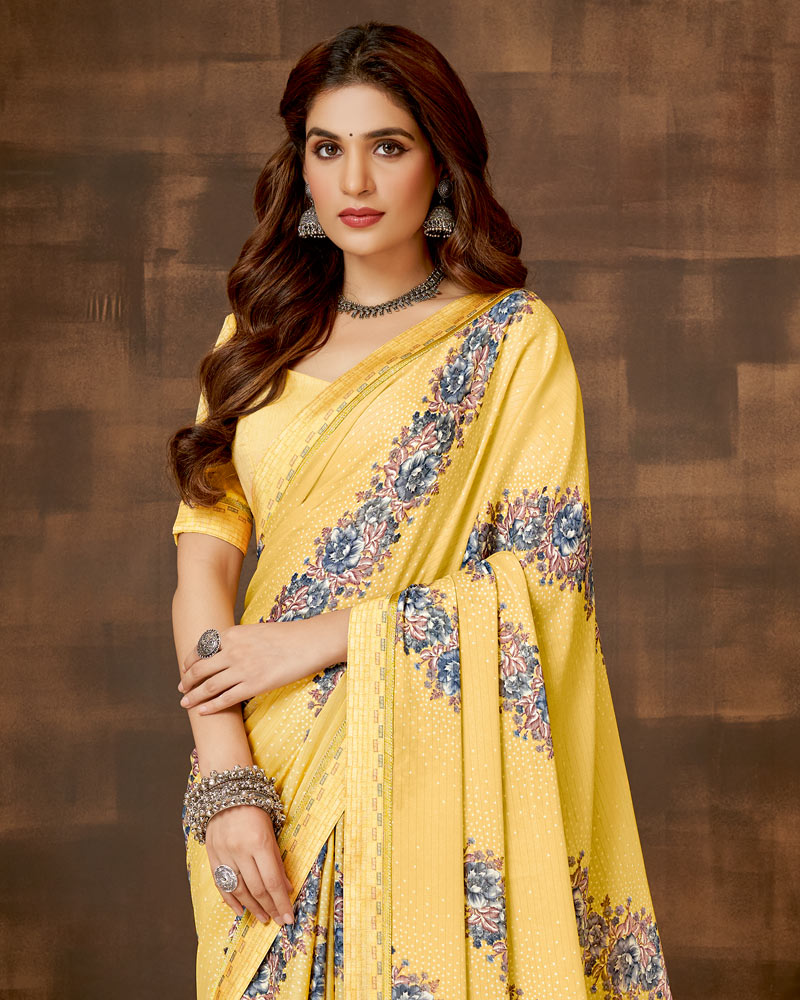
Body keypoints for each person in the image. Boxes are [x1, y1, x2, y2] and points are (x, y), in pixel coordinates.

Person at [167, 21, 674, 1000]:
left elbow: (543, 585)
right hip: (266, 763)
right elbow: (201, 568)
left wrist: (316, 638)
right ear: (301, 169)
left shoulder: (508, 341)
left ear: (439, 166)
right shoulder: (254, 338)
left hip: (433, 768)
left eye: (387, 147)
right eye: (327, 149)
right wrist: (226, 777)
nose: (354, 181)